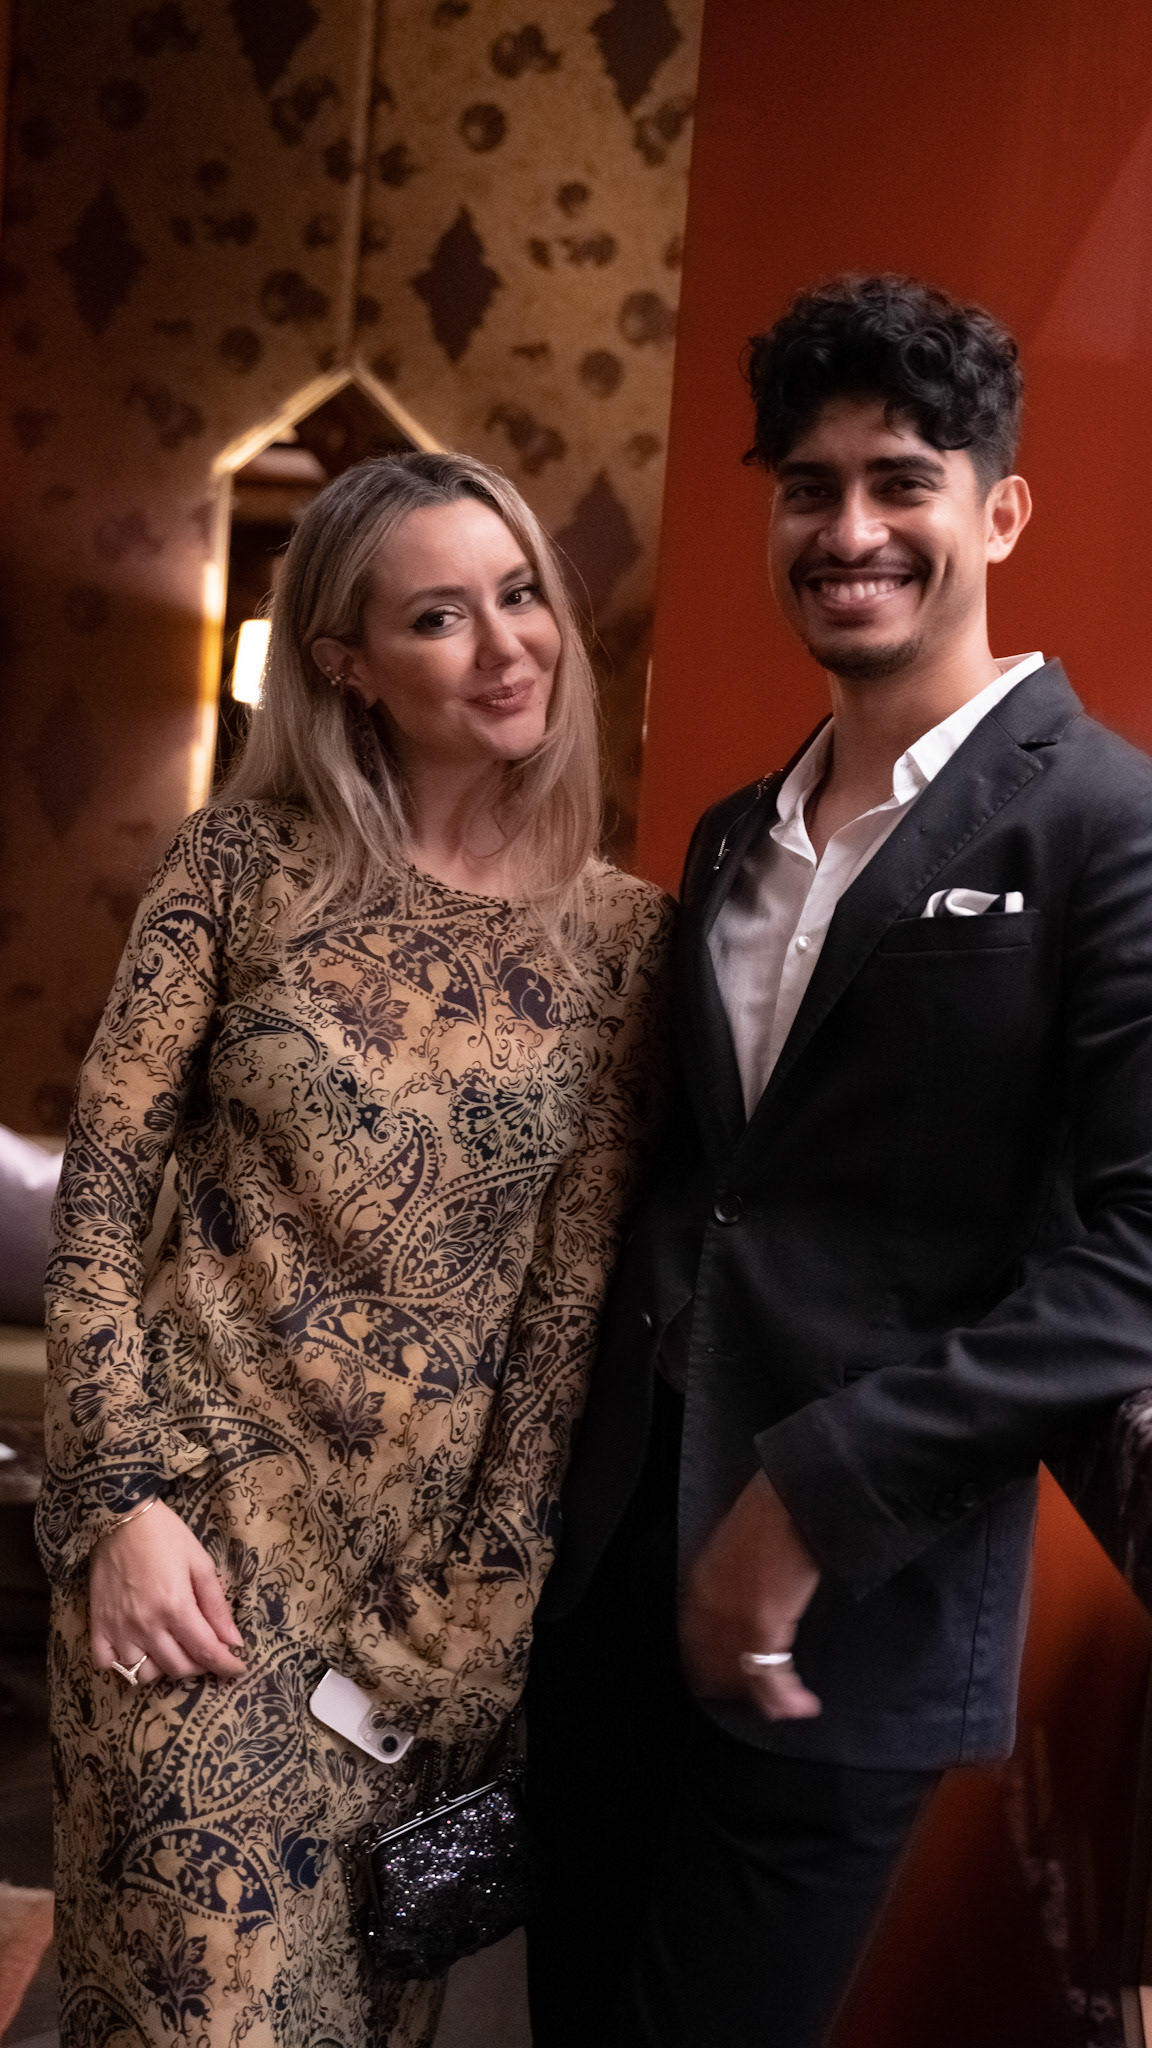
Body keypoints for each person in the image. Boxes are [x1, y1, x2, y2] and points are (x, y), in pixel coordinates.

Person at [526, 273, 1152, 2047]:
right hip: (612, 1577)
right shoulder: (740, 831)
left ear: (999, 513)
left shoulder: (1107, 824)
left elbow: (1140, 1254)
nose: (849, 529)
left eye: (901, 482)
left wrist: (813, 1493)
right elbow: (703, 1193)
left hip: (853, 1608)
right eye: (809, 487)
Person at [36, 450, 671, 2048]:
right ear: (345, 665)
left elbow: (566, 1312)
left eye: (519, 596)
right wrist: (115, 1502)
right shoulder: (238, 869)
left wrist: (486, 1609)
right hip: (196, 1552)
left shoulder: (622, 943)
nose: (507, 645)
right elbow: (98, 1199)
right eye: (440, 617)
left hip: (413, 1610)